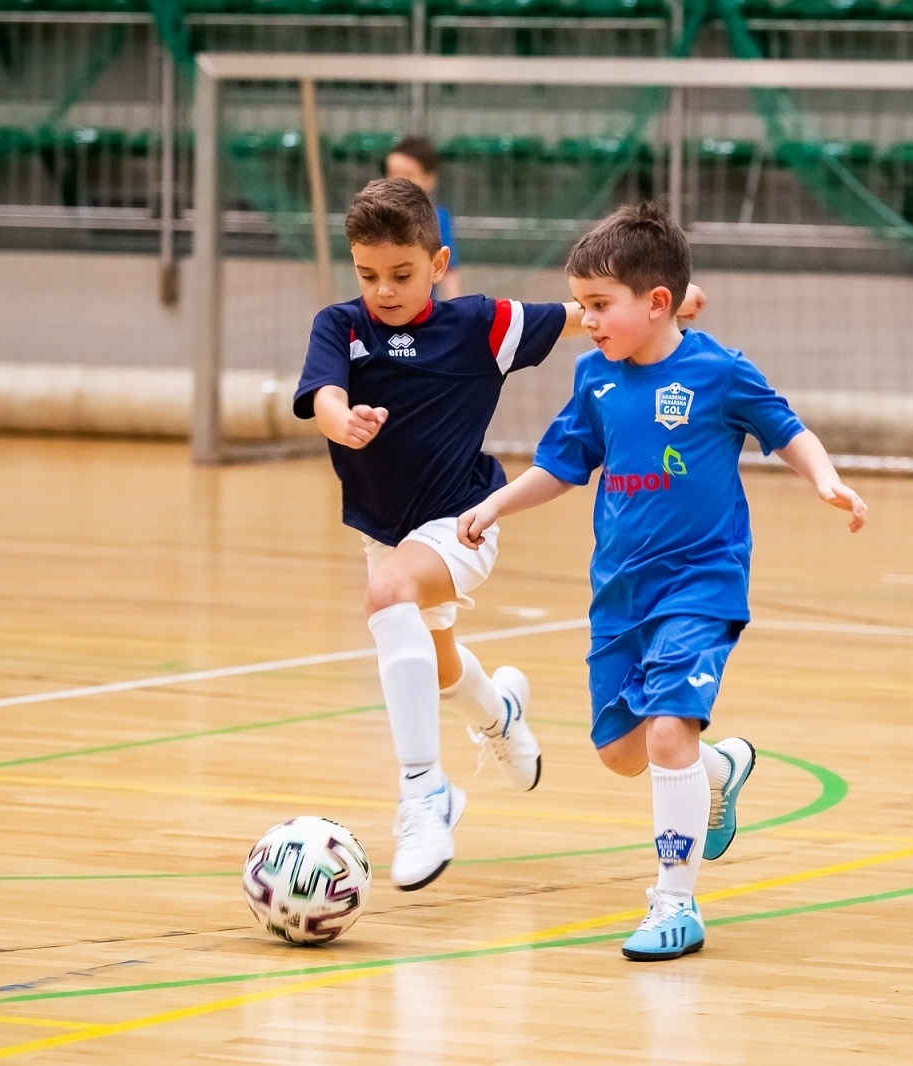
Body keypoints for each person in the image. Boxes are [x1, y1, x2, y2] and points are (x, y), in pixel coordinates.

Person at [456, 202, 866, 960]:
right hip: (621, 591)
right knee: (622, 752)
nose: (587, 320)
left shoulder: (718, 372)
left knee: (671, 728)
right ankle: (719, 770)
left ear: (656, 302)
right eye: (580, 304)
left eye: (599, 305)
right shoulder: (594, 377)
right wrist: (496, 503)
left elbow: (787, 429)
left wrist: (825, 478)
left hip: (703, 583)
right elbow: (562, 467)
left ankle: (675, 904)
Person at [293, 179, 705, 893]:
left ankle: (424, 791)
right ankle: (500, 714)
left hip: (464, 521)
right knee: (437, 664)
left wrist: (663, 303)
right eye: (368, 274)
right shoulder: (340, 327)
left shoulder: (482, 325)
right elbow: (325, 394)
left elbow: (577, 315)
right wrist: (342, 421)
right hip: (385, 530)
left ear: (438, 263)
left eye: (401, 274)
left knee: (387, 595)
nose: (383, 290)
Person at [386, 137, 463, 299]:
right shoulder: (377, 218)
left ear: (429, 179)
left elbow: (449, 271)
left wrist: (457, 309)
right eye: (392, 173)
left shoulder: (437, 219)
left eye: (408, 174)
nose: (398, 181)